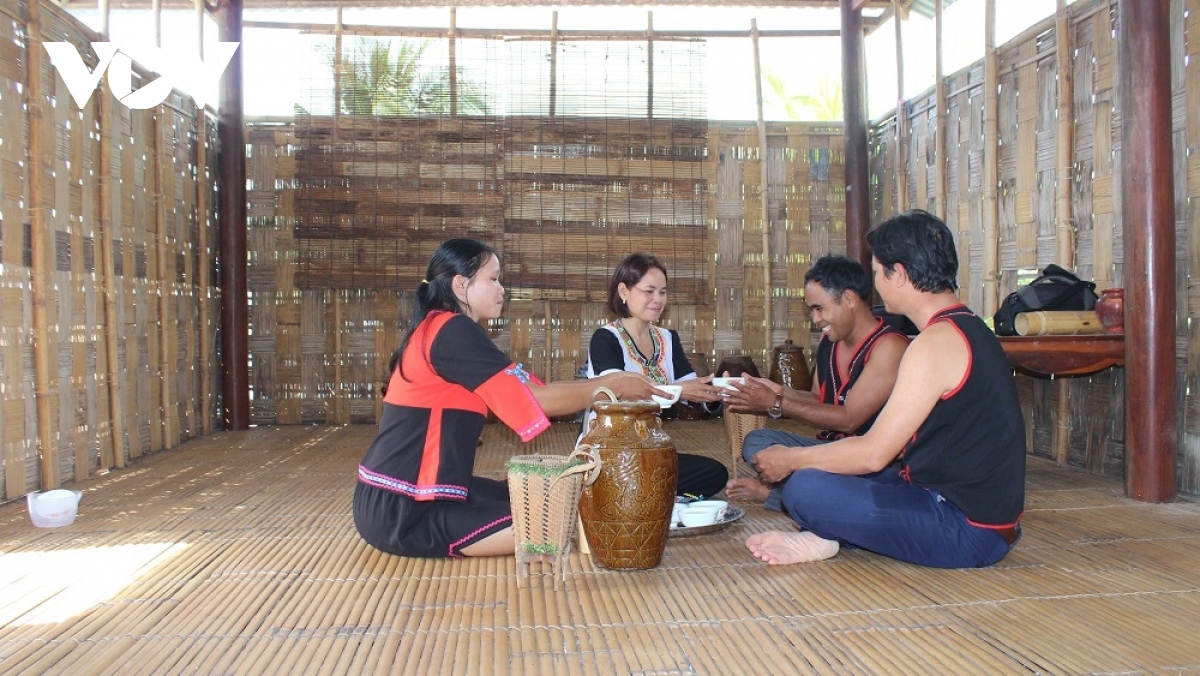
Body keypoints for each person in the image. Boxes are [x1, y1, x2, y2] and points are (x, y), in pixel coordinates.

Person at [744, 210, 1025, 569]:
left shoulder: (935, 343)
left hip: (968, 531)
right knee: (823, 475)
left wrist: (791, 459)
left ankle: (829, 533)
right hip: (947, 500)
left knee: (805, 488)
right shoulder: (968, 328)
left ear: (900, 274)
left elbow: (873, 453)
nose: (874, 282)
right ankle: (827, 537)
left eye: (878, 271)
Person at [353, 238, 656, 559]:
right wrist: (613, 383)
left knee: (536, 494)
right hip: (405, 510)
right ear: (460, 285)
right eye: (493, 279)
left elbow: (533, 391)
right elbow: (536, 401)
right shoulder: (452, 331)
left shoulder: (440, 329)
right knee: (561, 521)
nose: (502, 289)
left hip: (402, 495)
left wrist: (610, 382)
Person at [723, 254, 909, 511]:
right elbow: (817, 400)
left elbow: (849, 419)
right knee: (757, 442)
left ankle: (777, 496)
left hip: (870, 460)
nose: (815, 320)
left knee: (815, 477)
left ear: (849, 299)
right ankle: (807, 487)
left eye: (819, 308)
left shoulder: (889, 347)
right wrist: (774, 390)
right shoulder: (829, 342)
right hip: (828, 449)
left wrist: (775, 403)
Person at [584, 252, 729, 499]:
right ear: (624, 291)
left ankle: (641, 494)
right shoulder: (606, 338)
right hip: (610, 451)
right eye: (649, 291)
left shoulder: (667, 338)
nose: (657, 299)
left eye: (662, 292)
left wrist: (716, 390)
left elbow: (688, 388)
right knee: (636, 477)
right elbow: (620, 395)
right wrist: (682, 390)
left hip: (650, 450)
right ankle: (625, 491)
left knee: (714, 473)